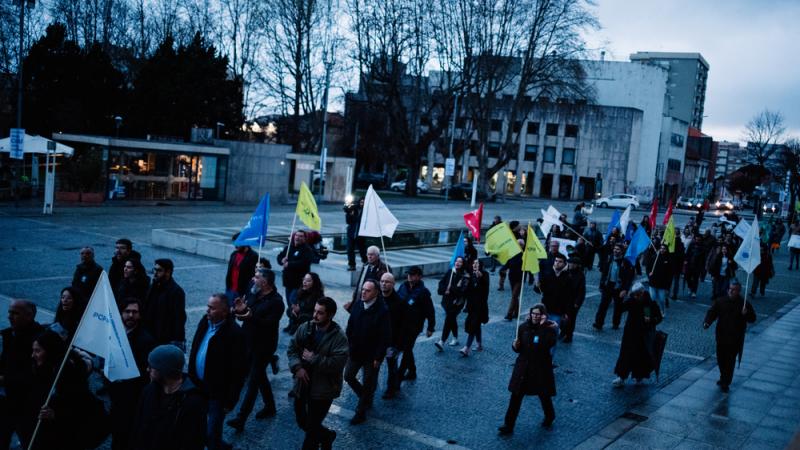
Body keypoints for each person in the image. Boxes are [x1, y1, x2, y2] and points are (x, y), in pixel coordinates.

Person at [228, 268, 285, 432]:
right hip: (247, 341)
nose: (253, 279)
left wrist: (249, 316)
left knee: (253, 381)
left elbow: (268, 324)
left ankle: (241, 418)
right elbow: (246, 311)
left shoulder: (276, 302)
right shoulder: (254, 293)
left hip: (264, 346)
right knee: (260, 377)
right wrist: (239, 310)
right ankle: (270, 406)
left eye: (257, 277)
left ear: (265, 282)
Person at [288, 297, 349, 449]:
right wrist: (297, 367)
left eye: (320, 313)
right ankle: (327, 436)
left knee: (311, 431)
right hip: (303, 385)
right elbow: (292, 349)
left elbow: (337, 364)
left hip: (323, 390)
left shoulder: (339, 337)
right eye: (315, 311)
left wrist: (314, 358)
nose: (315, 316)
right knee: (303, 421)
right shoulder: (306, 327)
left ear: (330, 315)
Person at [188, 293, 246, 450]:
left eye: (212, 308)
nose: (207, 310)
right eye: (207, 306)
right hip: (198, 386)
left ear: (224, 312)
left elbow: (238, 372)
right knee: (197, 428)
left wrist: (231, 400)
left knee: (212, 431)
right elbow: (195, 347)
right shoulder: (204, 322)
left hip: (217, 393)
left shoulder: (235, 334)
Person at [19, 330, 93, 450]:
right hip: (34, 429)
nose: (32, 355)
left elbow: (78, 408)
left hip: (57, 436)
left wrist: (55, 414)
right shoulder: (38, 366)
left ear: (50, 351)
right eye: (33, 350)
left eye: (37, 351)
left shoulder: (68, 375)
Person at [132, 345, 207, 449]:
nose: (147, 369)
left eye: (151, 367)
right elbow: (138, 424)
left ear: (164, 371)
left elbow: (194, 441)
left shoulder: (193, 403)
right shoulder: (149, 390)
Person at [498, 304, 558, 435]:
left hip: (540, 368)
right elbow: (519, 348)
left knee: (544, 394)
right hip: (523, 368)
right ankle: (508, 425)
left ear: (543, 315)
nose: (535, 316)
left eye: (538, 314)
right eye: (533, 314)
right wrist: (514, 346)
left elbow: (548, 344)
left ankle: (550, 416)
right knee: (516, 396)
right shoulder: (523, 327)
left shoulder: (550, 329)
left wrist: (542, 326)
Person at [109, 298, 156, 450]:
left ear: (140, 315)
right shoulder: (114, 333)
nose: (130, 315)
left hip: (133, 396)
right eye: (127, 311)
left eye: (134, 312)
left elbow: (145, 373)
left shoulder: (146, 339)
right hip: (116, 393)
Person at [345, 279, 391, 424]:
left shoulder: (383, 311)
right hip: (356, 351)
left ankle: (360, 412)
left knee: (368, 381)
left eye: (367, 290)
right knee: (348, 376)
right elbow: (350, 326)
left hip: (371, 355)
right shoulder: (358, 304)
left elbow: (385, 337)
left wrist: (378, 357)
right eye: (363, 289)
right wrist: (350, 344)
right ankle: (365, 397)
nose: (363, 292)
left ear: (376, 293)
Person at [0, 300, 44, 449]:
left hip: (27, 402)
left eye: (15, 313)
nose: (9, 317)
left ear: (29, 315)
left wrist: (6, 378)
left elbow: (36, 374)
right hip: (7, 397)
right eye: (9, 313)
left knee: (29, 438)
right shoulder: (9, 334)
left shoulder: (39, 340)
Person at [703, 282, 756, 392]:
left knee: (730, 360)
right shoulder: (721, 301)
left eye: (734, 290)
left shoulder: (744, 303)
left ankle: (726, 382)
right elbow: (712, 312)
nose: (731, 291)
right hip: (721, 336)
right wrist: (707, 323)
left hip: (735, 338)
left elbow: (753, 318)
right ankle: (723, 377)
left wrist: (746, 314)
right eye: (730, 289)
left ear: (738, 291)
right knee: (721, 359)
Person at [611, 286, 663, 387]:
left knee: (641, 356)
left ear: (642, 293)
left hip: (643, 335)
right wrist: (619, 298)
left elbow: (659, 317)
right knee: (626, 355)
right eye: (635, 295)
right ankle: (622, 377)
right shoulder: (632, 301)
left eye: (638, 295)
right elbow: (620, 309)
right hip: (630, 333)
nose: (636, 297)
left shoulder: (649, 303)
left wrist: (652, 321)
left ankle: (639, 376)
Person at [396, 266, 435, 382]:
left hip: (414, 327)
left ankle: (399, 375)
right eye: (409, 274)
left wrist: (430, 328)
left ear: (419, 276)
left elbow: (430, 311)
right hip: (401, 324)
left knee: (407, 348)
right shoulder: (403, 286)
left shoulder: (423, 292)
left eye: (412, 275)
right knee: (406, 348)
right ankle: (412, 370)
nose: (409, 276)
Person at [144, 258, 186, 349]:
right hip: (149, 335)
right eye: (154, 269)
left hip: (164, 339)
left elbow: (179, 318)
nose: (155, 273)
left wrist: (178, 340)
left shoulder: (176, 292)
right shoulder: (153, 286)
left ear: (168, 272)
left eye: (159, 270)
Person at [378, 273, 408, 399]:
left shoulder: (400, 302)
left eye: (387, 282)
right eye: (382, 281)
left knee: (391, 366)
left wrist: (397, 345)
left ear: (393, 284)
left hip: (392, 341)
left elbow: (403, 326)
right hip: (378, 340)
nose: (384, 284)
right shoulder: (377, 298)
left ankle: (391, 388)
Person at [593, 243, 634, 330]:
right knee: (603, 305)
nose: (615, 250)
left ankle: (616, 323)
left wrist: (625, 290)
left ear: (622, 251)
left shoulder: (626, 262)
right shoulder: (609, 259)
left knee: (618, 307)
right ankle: (598, 323)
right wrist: (601, 285)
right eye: (615, 249)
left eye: (618, 249)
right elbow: (604, 273)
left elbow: (629, 278)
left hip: (619, 287)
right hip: (608, 286)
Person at [435, 257, 469, 350]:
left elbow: (462, 291)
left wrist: (451, 289)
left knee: (449, 318)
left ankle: (442, 341)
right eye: (456, 261)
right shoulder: (450, 272)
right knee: (452, 319)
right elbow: (441, 283)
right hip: (447, 301)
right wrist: (445, 289)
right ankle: (455, 338)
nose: (457, 263)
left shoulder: (465, 276)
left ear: (463, 264)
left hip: (457, 303)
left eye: (460, 262)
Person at [277, 230, 315, 306]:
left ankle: (294, 316)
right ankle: (292, 315)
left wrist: (289, 264)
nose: (298, 237)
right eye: (297, 235)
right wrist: (281, 260)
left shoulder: (307, 250)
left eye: (301, 236)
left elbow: (304, 263)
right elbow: (280, 257)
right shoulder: (288, 247)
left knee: (293, 300)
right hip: (288, 281)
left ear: (304, 238)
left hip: (299, 282)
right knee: (289, 301)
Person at [537, 253, 572, 331]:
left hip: (558, 311)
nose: (557, 263)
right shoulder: (548, 274)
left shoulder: (568, 277)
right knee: (541, 331)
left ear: (564, 264)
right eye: (556, 261)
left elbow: (569, 297)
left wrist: (567, 312)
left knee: (553, 332)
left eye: (560, 261)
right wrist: (537, 286)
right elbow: (540, 291)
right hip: (545, 308)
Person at [461, 259, 489, 356]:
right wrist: (464, 282)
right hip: (471, 306)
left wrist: (481, 279)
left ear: (481, 265)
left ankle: (466, 348)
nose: (475, 264)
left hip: (480, 306)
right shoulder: (470, 275)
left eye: (477, 263)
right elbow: (465, 291)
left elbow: (485, 290)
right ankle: (479, 344)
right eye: (474, 263)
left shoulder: (485, 274)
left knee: (473, 325)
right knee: (476, 325)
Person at [225, 234, 259, 304]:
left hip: (242, 291)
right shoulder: (234, 254)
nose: (236, 246)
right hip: (230, 289)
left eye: (238, 244)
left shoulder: (253, 256)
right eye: (235, 243)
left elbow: (252, 274)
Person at [562, 256, 585, 343]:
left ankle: (569, 335)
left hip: (573, 300)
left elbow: (581, 290)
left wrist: (577, 302)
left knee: (571, 319)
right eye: (570, 263)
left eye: (572, 263)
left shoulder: (580, 275)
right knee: (562, 316)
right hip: (564, 299)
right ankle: (563, 331)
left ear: (577, 265)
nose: (570, 264)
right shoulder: (565, 271)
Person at [647, 244, 672, 315]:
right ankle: (650, 312)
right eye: (661, 248)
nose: (662, 250)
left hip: (662, 284)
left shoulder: (669, 260)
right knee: (652, 298)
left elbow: (670, 275)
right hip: (653, 282)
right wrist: (649, 273)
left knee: (661, 300)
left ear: (666, 250)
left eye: (664, 248)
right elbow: (648, 267)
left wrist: (668, 287)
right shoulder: (655, 257)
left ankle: (662, 310)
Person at [344, 196, 366, 271]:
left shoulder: (366, 211)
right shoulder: (354, 209)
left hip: (361, 234)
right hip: (351, 233)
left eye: (363, 202)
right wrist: (349, 213)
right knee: (350, 249)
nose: (362, 204)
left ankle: (365, 262)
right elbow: (348, 221)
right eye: (361, 202)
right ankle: (352, 265)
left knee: (362, 249)